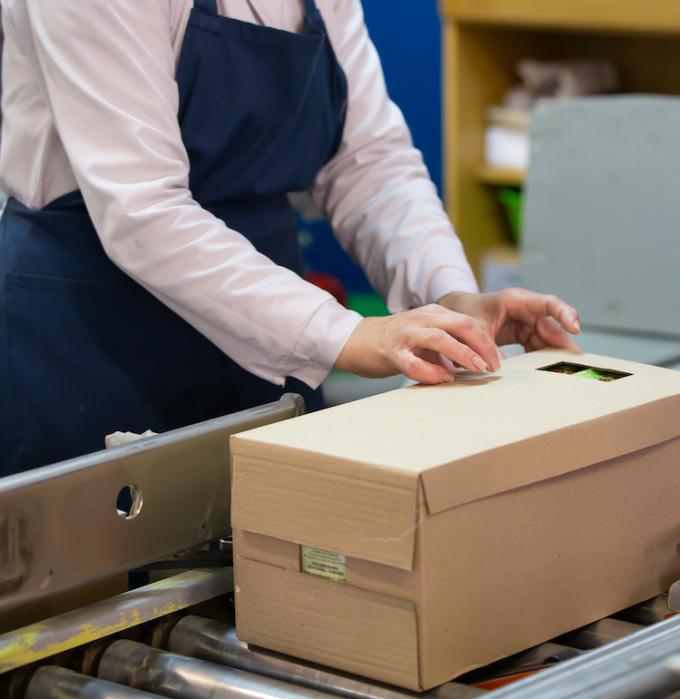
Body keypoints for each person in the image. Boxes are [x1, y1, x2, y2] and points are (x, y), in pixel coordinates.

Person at [0, 0, 580, 476]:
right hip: (89, 338)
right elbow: (143, 208)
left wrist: (449, 298)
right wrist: (345, 335)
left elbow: (367, 163)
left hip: (265, 339)